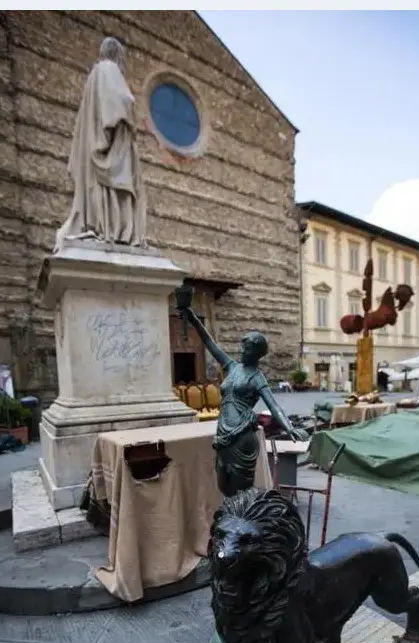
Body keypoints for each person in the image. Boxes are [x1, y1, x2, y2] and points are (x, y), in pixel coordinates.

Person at [176, 289, 309, 497]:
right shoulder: (232, 366)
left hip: (241, 436)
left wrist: (289, 427)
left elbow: (274, 406)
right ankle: (231, 519)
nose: (242, 351)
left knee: (241, 489)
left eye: (246, 349)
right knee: (223, 484)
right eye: (242, 347)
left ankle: (241, 521)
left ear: (257, 354)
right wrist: (193, 318)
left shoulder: (257, 378)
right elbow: (209, 343)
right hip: (223, 432)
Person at [55, 37, 146, 251]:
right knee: (118, 188)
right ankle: (114, 229)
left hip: (95, 146)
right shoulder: (109, 69)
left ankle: (99, 224)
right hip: (112, 146)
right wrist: (132, 120)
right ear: (116, 54)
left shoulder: (93, 77)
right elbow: (120, 103)